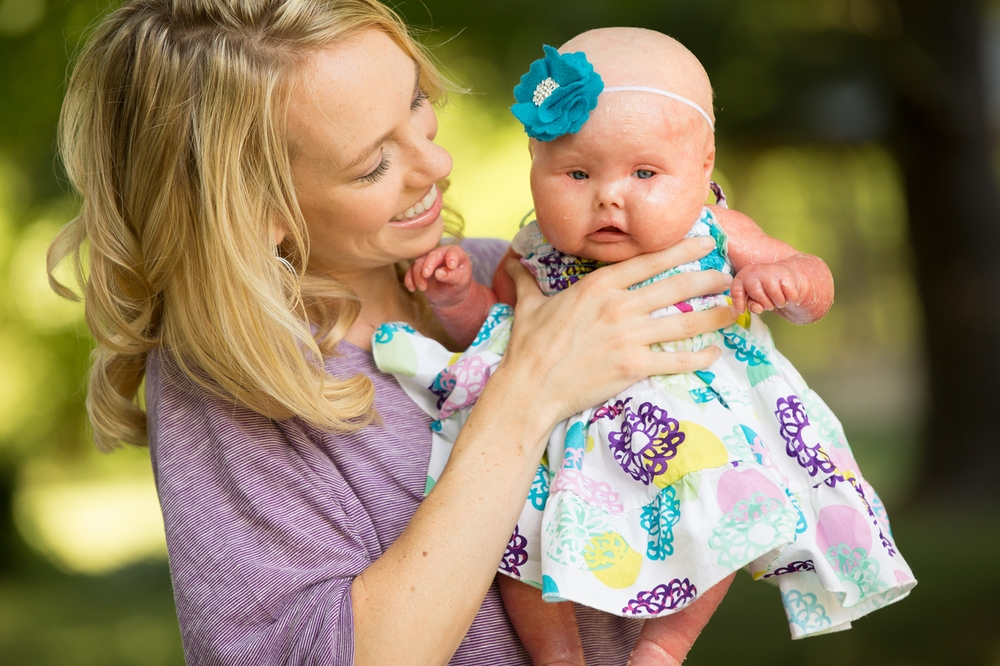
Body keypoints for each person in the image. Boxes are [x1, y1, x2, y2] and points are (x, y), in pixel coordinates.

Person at [46, 3, 744, 664]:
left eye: (416, 103)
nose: (438, 165)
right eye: (373, 163)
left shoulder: (503, 276)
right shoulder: (237, 378)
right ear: (256, 213)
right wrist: (526, 396)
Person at [379, 28, 916, 666]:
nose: (609, 195)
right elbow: (495, 329)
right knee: (514, 533)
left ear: (703, 166)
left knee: (725, 519)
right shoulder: (530, 253)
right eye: (577, 173)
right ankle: (558, 655)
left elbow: (814, 282)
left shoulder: (714, 230)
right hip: (556, 439)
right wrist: (456, 298)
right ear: (534, 163)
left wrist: (788, 281)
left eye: (644, 173)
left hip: (695, 431)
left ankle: (663, 649)